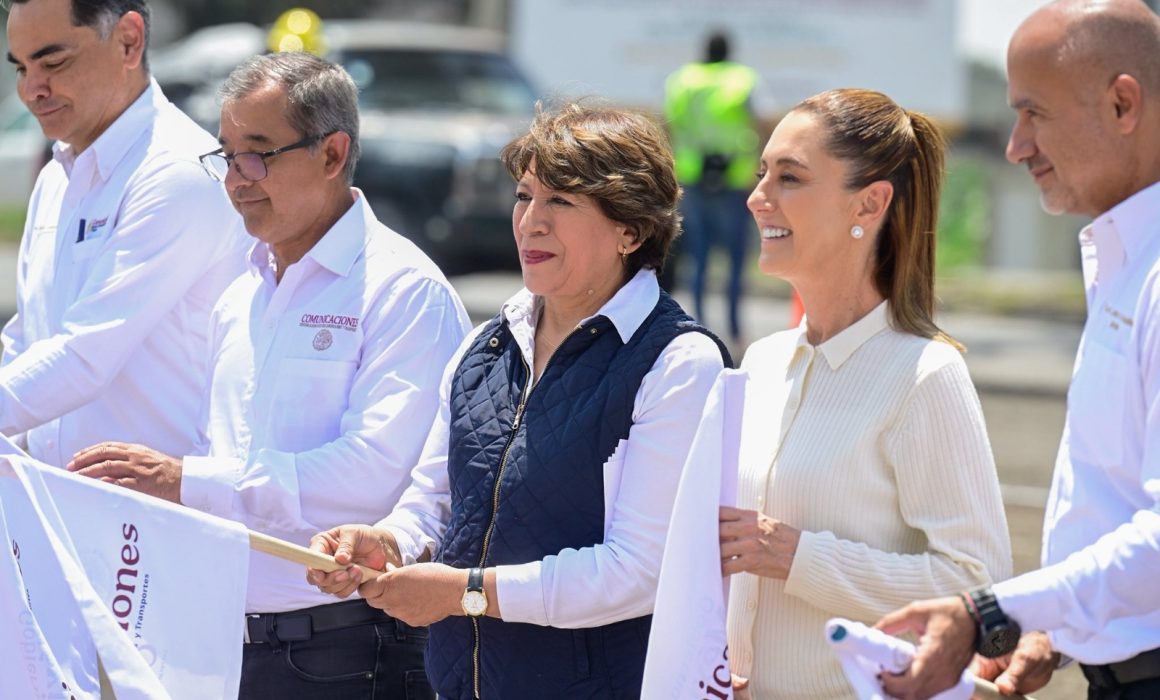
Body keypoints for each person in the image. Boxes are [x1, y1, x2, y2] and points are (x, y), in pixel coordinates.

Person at [67, 52, 470, 699]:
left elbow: (377, 473)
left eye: (258, 154)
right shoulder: (239, 292)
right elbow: (218, 448)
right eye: (225, 156)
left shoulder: (402, 290)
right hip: (228, 642)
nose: (236, 180)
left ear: (333, 154)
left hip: (350, 644)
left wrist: (186, 481)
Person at [307, 102, 731, 699]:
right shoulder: (485, 345)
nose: (531, 221)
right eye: (524, 196)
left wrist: (464, 593)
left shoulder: (679, 363)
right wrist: (389, 542)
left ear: (631, 230)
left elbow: (639, 572)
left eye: (560, 201)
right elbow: (435, 500)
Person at [877, 2, 1160, 698]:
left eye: (1034, 113)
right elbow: (1115, 494)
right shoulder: (1126, 257)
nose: (1015, 145)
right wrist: (1052, 631)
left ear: (1124, 103)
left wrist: (992, 613)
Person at [714, 88, 1013, 698]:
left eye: (789, 177)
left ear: (871, 202)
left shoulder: (926, 374)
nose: (757, 198)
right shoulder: (764, 362)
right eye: (761, 172)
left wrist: (798, 557)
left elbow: (978, 585)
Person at [1, 0, 246, 466]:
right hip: (61, 509)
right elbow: (28, 338)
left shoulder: (178, 171)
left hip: (156, 521)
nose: (32, 89)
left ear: (129, 41)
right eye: (21, 68)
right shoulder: (59, 174)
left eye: (53, 62)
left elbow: (84, 354)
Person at [664, 30, 771, 350]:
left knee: (698, 256)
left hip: (693, 176)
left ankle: (696, 327)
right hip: (734, 177)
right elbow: (762, 122)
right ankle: (736, 332)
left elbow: (669, 124)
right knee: (736, 258)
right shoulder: (743, 79)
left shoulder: (682, 80)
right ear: (730, 51)